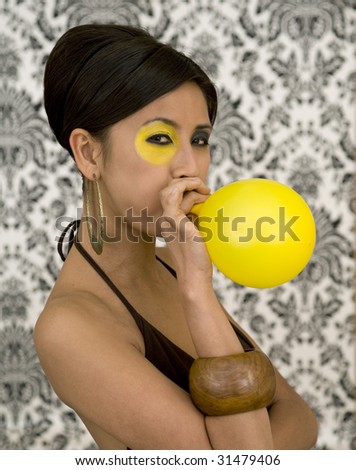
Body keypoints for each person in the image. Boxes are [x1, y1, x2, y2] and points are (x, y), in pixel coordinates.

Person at [34, 24, 318, 450]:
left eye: (200, 139)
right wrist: (197, 292)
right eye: (161, 138)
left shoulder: (172, 263)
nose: (190, 165)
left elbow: (299, 415)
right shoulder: (69, 328)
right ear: (89, 153)